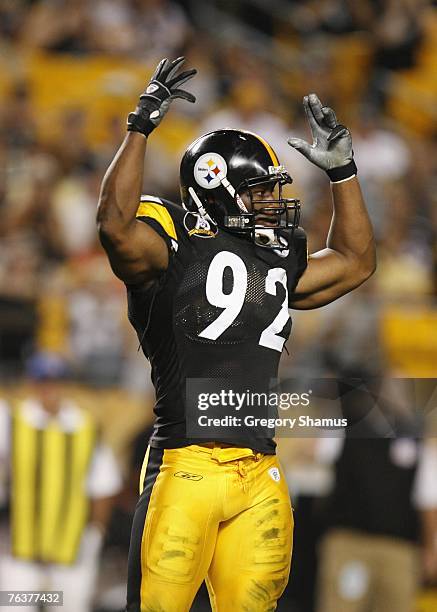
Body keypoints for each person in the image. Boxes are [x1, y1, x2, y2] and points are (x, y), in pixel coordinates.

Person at [97, 57, 376, 612]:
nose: (274, 202)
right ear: (217, 189)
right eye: (259, 191)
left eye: (274, 190)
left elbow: (355, 261)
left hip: (261, 468)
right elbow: (114, 226)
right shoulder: (173, 237)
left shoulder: (273, 255)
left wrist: (344, 175)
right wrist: (140, 127)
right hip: (187, 463)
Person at [0, 352, 122, 612]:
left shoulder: (85, 427)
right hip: (22, 554)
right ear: (31, 383)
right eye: (43, 380)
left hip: (71, 553)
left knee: (70, 607)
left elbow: (103, 485)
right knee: (14, 607)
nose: (50, 388)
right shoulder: (12, 421)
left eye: (56, 380)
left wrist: (95, 534)